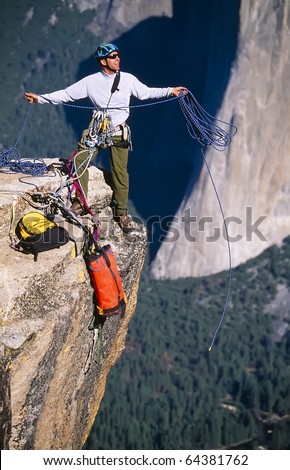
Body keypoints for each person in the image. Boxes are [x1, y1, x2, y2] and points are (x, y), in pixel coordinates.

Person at [24, 42, 187, 233]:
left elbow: (146, 93)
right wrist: (40, 98)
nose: (118, 59)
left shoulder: (128, 79)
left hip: (118, 132)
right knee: (79, 161)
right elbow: (67, 95)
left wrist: (171, 90)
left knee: (120, 172)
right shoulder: (90, 82)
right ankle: (81, 202)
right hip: (98, 131)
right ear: (103, 61)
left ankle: (122, 212)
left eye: (118, 55)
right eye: (113, 56)